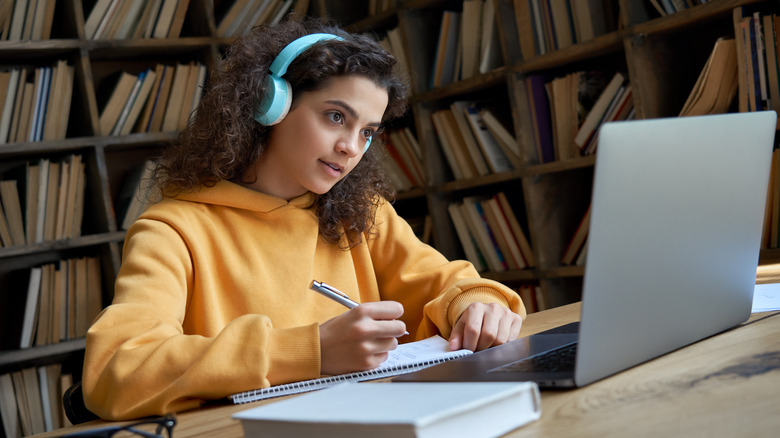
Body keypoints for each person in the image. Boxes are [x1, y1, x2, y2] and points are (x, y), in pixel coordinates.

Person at [82, 18, 526, 420]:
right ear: (268, 106)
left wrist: (476, 305)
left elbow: (445, 281)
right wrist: (309, 351)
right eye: (336, 117)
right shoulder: (173, 231)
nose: (351, 147)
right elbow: (117, 371)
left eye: (367, 132)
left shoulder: (363, 214)